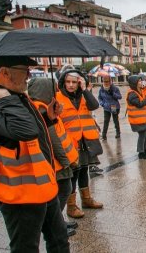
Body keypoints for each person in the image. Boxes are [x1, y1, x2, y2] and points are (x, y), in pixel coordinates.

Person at [0, 56, 69, 252]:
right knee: (26, 248)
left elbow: (27, 135)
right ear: (5, 72)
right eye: (25, 69)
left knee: (59, 240)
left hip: (42, 187)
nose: (30, 75)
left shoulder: (16, 96)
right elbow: (25, 130)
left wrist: (47, 118)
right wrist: (3, 96)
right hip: (19, 193)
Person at [28, 78, 79, 237]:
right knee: (64, 190)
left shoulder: (39, 108)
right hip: (57, 163)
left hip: (55, 161)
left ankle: (58, 222)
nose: (56, 92)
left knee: (61, 192)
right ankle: (54, 224)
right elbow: (54, 140)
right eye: (53, 90)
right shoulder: (42, 111)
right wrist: (65, 162)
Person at [57, 69, 104, 218]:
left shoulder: (83, 95)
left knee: (84, 170)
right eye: (68, 82)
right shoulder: (58, 97)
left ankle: (86, 199)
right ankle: (71, 206)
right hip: (69, 142)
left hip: (85, 140)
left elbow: (94, 105)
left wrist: (85, 89)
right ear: (63, 82)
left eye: (74, 82)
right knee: (73, 174)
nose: (71, 85)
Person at [126, 75, 146, 159]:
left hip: (142, 118)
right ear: (134, 83)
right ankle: (141, 152)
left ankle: (145, 149)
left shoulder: (138, 91)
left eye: (140, 81)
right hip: (137, 119)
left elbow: (143, 101)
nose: (140, 83)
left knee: (145, 134)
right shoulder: (132, 93)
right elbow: (139, 104)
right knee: (142, 135)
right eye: (138, 81)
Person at [98, 76, 122, 140]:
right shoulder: (101, 89)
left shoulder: (114, 88)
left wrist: (113, 93)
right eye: (104, 81)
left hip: (114, 106)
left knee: (115, 120)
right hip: (106, 107)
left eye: (107, 81)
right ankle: (104, 135)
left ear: (110, 81)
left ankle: (118, 132)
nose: (106, 83)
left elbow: (120, 97)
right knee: (106, 121)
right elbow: (99, 98)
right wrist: (102, 103)